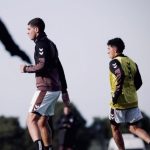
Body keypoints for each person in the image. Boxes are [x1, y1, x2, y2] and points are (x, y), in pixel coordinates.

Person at [20, 18, 70, 150]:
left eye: (29, 29)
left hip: (45, 89)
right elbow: (60, 68)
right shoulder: (51, 43)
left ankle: (40, 148)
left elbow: (42, 66)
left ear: (36, 29)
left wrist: (26, 69)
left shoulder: (41, 44)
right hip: (55, 89)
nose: (27, 32)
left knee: (31, 120)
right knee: (42, 122)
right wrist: (64, 90)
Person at [107, 37, 150, 150]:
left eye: (109, 48)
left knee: (115, 128)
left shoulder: (114, 62)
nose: (107, 51)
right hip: (133, 101)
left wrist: (116, 96)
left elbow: (119, 75)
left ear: (115, 49)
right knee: (133, 128)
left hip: (119, 103)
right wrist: (130, 92)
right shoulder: (132, 62)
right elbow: (139, 82)